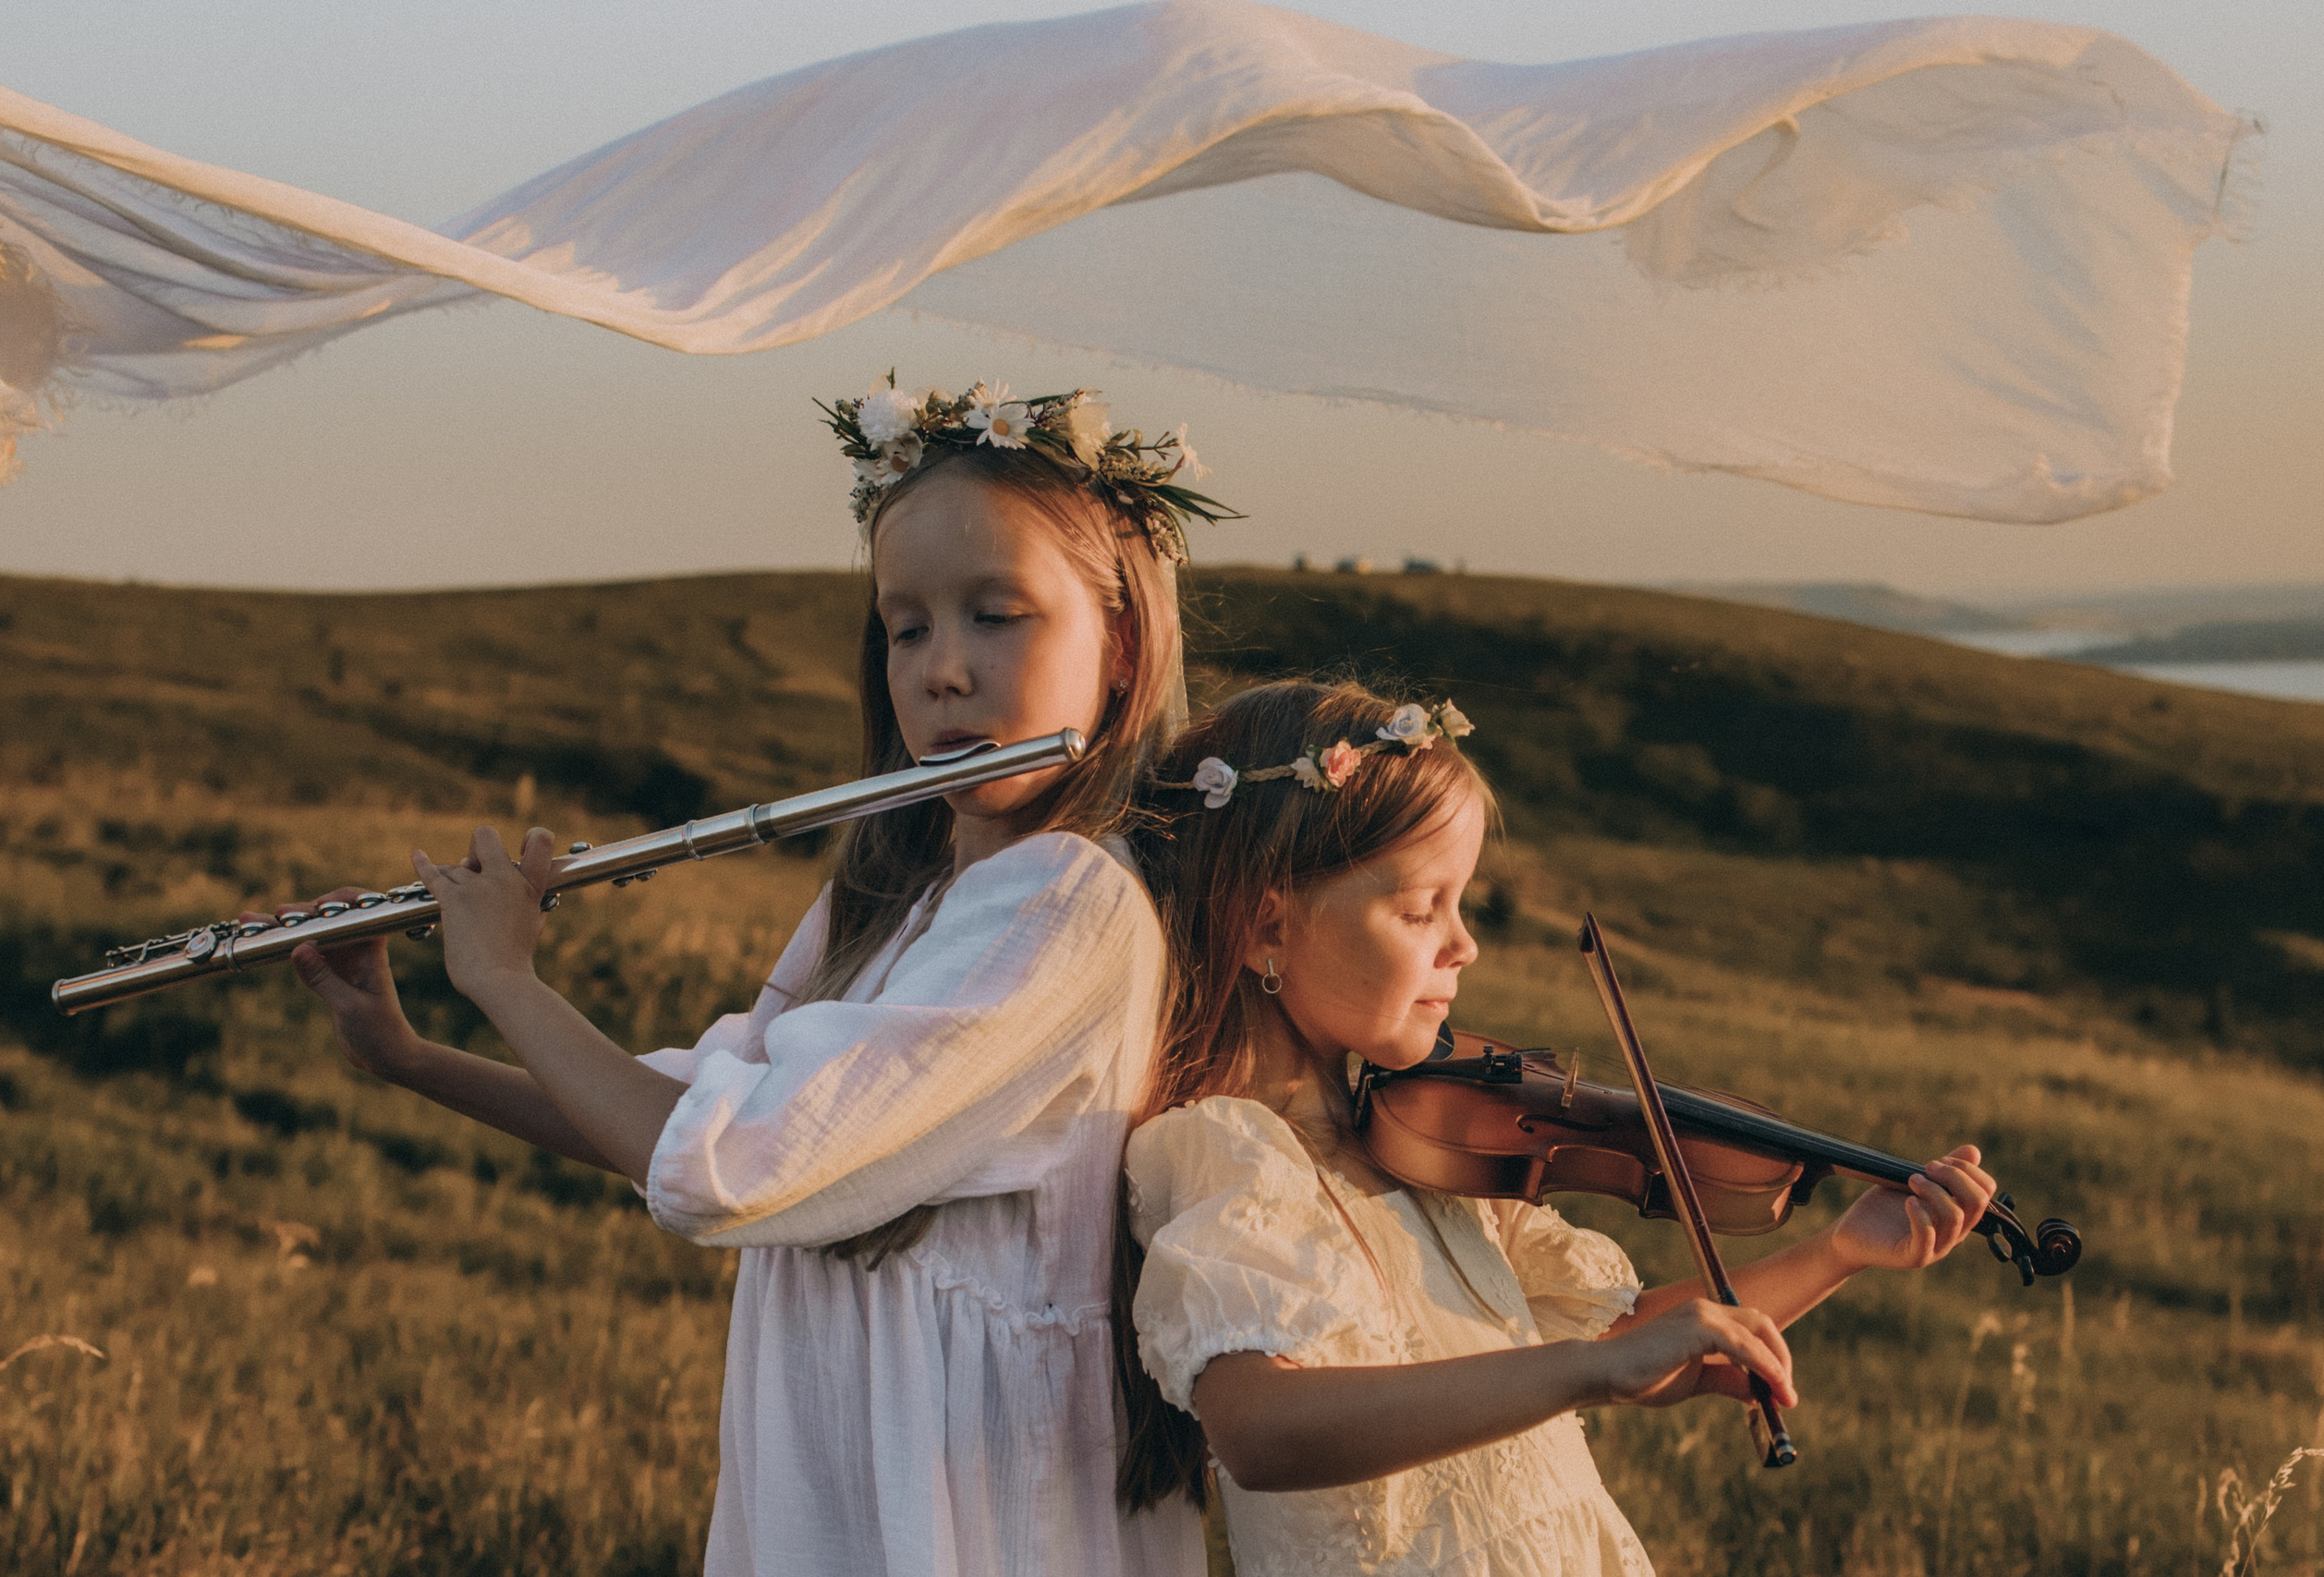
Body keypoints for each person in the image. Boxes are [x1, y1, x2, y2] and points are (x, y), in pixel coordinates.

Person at [262, 378, 1237, 1577]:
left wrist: (508, 977)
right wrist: (410, 1056)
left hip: (974, 1501)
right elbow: (676, 1112)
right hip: (840, 1483)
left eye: (998, 615)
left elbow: (732, 1166)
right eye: (907, 625)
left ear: (1121, 642)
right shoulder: (890, 890)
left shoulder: (1070, 900)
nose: (940, 670)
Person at [1117, 679, 2000, 1576]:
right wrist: (1579, 1371)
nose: (1463, 945)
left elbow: (1626, 1342)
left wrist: (1840, 1251)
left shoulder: (1427, 1153)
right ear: (1267, 923)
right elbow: (1261, 1428)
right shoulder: (1227, 1150)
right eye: (1422, 910)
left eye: (1461, 906)